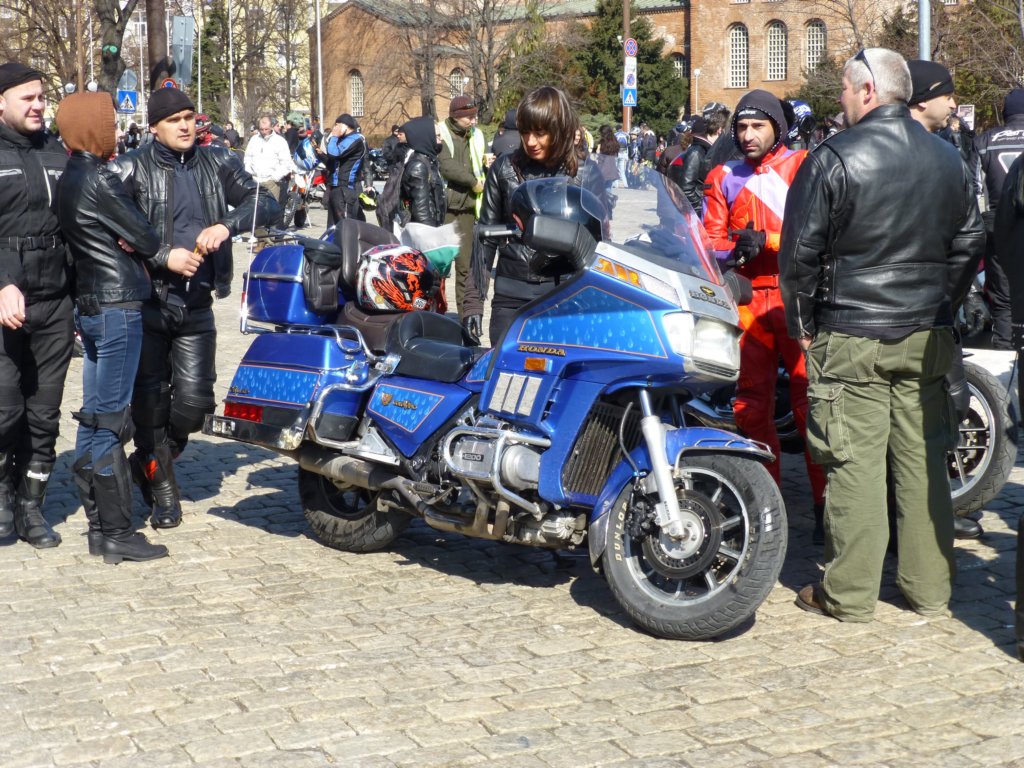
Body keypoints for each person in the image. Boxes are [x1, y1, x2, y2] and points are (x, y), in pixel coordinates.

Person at [780, 48, 984, 622]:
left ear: (868, 91)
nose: (840, 99)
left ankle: (849, 593)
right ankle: (929, 588)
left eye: (845, 89)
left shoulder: (833, 157)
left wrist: (803, 326)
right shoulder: (947, 158)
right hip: (926, 333)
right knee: (923, 460)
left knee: (854, 463)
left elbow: (798, 258)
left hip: (853, 332)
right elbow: (970, 243)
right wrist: (939, 304)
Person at [111, 87, 279, 530]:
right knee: (150, 402)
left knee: (195, 405)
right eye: (173, 120)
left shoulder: (217, 161)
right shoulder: (130, 167)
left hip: (198, 302)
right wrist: (162, 255)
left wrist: (227, 225)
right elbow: (105, 225)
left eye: (189, 117)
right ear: (154, 127)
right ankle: (163, 491)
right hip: (147, 301)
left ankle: (147, 461)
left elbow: (267, 203)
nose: (184, 125)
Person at [703, 89, 827, 540]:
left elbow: (819, 231)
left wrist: (770, 242)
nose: (748, 135)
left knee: (811, 405)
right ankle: (764, 506)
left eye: (758, 126)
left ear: (778, 128)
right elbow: (709, 240)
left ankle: (826, 506)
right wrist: (736, 248)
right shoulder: (722, 175)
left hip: (796, 297)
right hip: (747, 300)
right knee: (750, 408)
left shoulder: (803, 165)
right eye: (741, 126)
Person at [54, 92, 170, 563]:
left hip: (91, 306)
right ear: (91, 129)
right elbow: (147, 236)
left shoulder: (69, 176)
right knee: (110, 420)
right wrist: (130, 237)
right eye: (110, 123)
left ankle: (100, 529)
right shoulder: (100, 178)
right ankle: (118, 531)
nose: (117, 131)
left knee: (93, 417)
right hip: (117, 305)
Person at [904, 58, 986, 541]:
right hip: (919, 309)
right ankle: (921, 522)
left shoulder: (944, 148)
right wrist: (947, 296)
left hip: (924, 306)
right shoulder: (927, 154)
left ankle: (928, 513)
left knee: (942, 409)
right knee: (931, 413)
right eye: (947, 94)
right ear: (921, 99)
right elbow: (966, 238)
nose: (955, 103)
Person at [462, 85, 604, 345]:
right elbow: (485, 238)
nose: (530, 142)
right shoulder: (503, 168)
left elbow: (600, 247)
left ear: (559, 129)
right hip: (511, 295)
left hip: (566, 296)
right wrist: (473, 303)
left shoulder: (586, 173)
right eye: (525, 132)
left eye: (540, 133)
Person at [0, 62, 74, 549]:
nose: (38, 105)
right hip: (4, 303)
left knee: (44, 415)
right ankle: (2, 496)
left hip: (54, 303)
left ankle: (30, 508)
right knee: (5, 409)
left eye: (41, 97)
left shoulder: (56, 151)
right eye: (27, 98)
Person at [975, 89, 1024, 351]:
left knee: (1003, 294)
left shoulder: (985, 141)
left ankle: (1006, 345)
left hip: (997, 222)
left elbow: (974, 188)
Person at [439, 95, 487, 319]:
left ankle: (464, 318)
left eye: (474, 116)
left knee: (465, 267)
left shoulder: (476, 135)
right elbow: (446, 166)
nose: (473, 121)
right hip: (446, 208)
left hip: (468, 207)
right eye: (469, 117)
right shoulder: (441, 132)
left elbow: (477, 164)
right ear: (455, 116)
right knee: (438, 266)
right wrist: (473, 182)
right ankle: (433, 315)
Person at [667, 113, 725, 214]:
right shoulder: (697, 152)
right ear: (719, 130)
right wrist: (702, 208)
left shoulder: (709, 150)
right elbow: (686, 189)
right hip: (699, 211)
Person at [399, 116, 447, 227]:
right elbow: (421, 212)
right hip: (427, 230)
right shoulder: (418, 166)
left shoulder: (429, 160)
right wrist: (431, 234)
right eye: (437, 136)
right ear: (425, 137)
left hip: (435, 224)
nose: (441, 139)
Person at [324, 113, 367, 226]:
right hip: (335, 187)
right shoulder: (342, 140)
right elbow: (331, 162)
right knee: (332, 228)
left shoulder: (356, 139)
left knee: (345, 226)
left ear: (345, 126)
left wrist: (334, 137)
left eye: (337, 125)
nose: (334, 128)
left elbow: (334, 153)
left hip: (345, 189)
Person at [244, 115, 293, 208]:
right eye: (261, 129)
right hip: (254, 181)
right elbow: (247, 158)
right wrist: (249, 172)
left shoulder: (280, 141)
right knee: (254, 210)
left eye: (266, 129)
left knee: (270, 210)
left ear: (271, 127)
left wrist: (275, 177)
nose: (264, 132)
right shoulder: (254, 140)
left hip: (271, 182)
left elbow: (286, 163)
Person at [595, 125, 621, 192]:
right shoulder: (614, 141)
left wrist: (598, 150)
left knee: (600, 189)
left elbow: (598, 154)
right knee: (608, 188)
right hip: (612, 167)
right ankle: (608, 198)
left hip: (603, 167)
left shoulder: (602, 142)